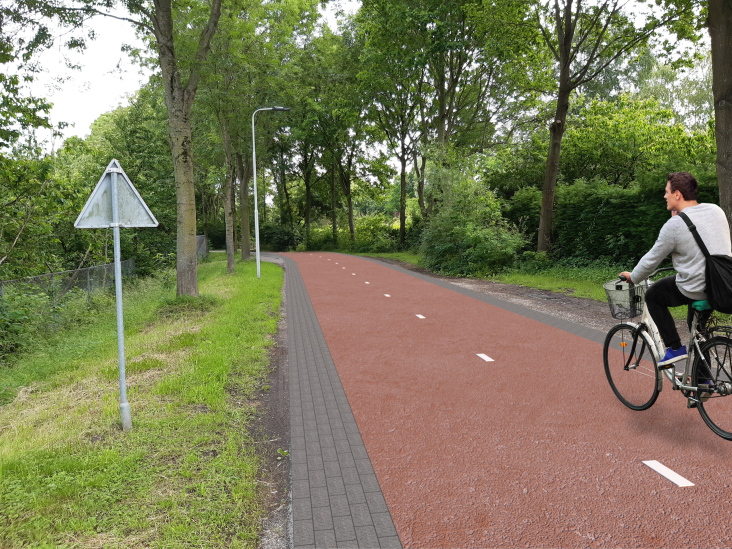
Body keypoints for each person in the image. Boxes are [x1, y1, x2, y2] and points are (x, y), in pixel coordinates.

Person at [619, 172, 732, 367]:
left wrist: (633, 277)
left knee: (653, 295)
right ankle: (702, 381)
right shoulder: (716, 211)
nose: (665, 196)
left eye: (667, 192)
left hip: (696, 287)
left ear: (677, 194)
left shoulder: (674, 225)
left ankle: (674, 348)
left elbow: (651, 260)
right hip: (721, 285)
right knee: (696, 330)